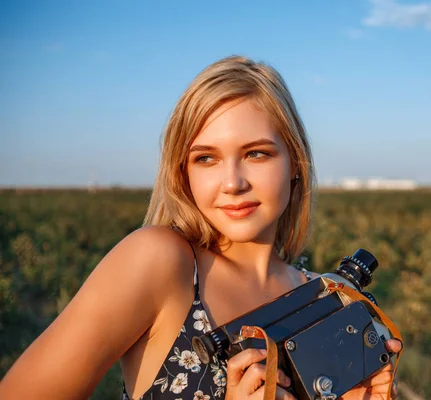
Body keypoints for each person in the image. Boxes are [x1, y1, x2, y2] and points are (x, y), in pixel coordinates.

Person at [0, 55, 402, 399]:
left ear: (294, 164)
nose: (232, 182)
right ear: (183, 173)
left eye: (256, 154)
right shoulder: (160, 263)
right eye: (206, 159)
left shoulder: (326, 296)